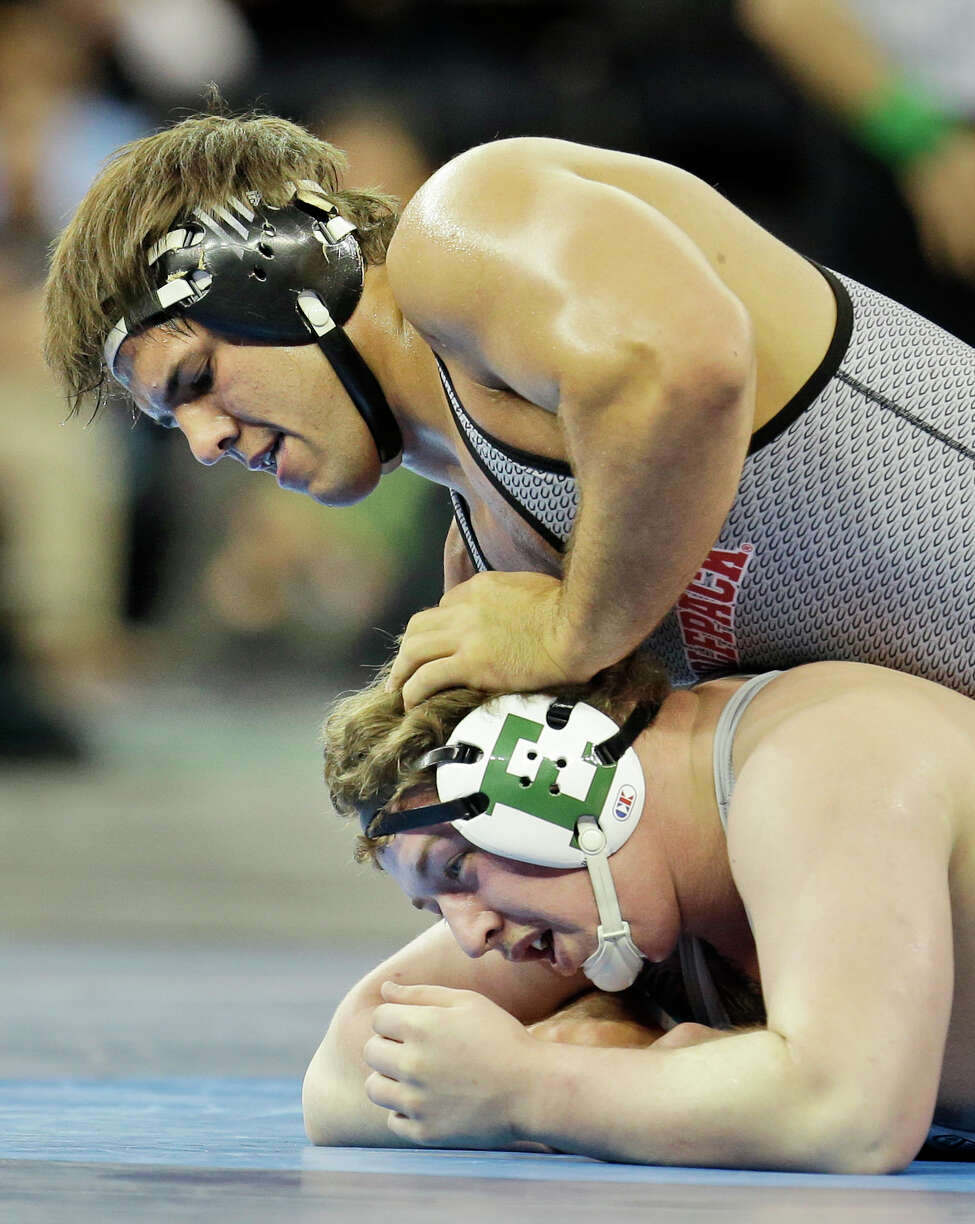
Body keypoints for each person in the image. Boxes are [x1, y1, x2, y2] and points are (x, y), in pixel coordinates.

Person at [43, 112, 975, 706]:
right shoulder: (491, 559)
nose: (205, 444)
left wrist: (577, 629)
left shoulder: (466, 229)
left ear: (282, 272)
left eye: (196, 381)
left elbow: (683, 369)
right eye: (176, 426)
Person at [306, 651, 975, 1171]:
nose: (470, 933)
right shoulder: (619, 898)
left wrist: (532, 1090)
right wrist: (646, 1088)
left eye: (456, 870)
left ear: (562, 773)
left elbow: (849, 1118)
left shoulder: (823, 762)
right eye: (434, 906)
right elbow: (338, 1075)